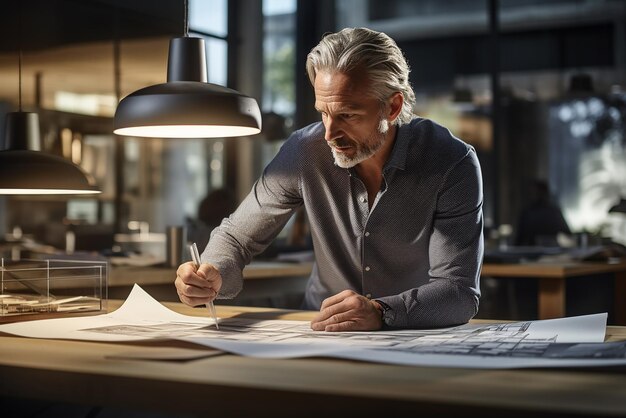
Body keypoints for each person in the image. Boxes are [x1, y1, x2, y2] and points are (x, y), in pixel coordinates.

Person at [175, 27, 484, 331]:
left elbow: (457, 291)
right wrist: (213, 271)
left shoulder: (451, 162)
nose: (329, 134)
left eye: (347, 115)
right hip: (320, 332)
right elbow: (236, 237)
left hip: (413, 335)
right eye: (323, 112)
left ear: (392, 107)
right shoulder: (303, 151)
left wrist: (381, 312)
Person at [514, 179, 571, 247]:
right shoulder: (527, 213)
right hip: (534, 251)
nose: (533, 195)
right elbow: (519, 239)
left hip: (550, 251)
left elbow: (567, 232)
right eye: (532, 192)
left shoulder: (553, 212)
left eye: (536, 192)